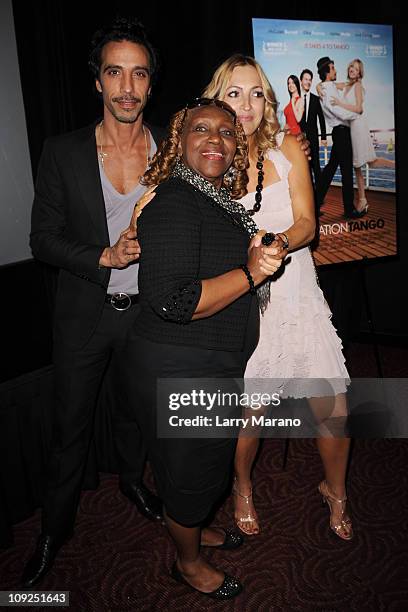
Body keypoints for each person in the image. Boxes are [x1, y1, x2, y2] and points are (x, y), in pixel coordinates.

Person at [22, 17, 164, 588]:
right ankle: (55, 529)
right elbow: (42, 239)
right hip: (85, 315)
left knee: (135, 414)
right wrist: (102, 257)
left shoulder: (171, 153)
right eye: (114, 72)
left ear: (150, 85)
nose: (127, 87)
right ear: (97, 82)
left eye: (139, 74)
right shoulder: (62, 152)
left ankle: (132, 480)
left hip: (149, 315)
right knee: (69, 431)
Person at [123, 98, 282, 600]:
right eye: (201, 129)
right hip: (181, 366)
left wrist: (252, 256)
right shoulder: (173, 200)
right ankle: (188, 562)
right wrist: (253, 272)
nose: (215, 139)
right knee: (192, 474)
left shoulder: (217, 200)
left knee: (205, 467)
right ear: (180, 141)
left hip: (210, 362)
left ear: (237, 147)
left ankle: (193, 525)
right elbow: (174, 299)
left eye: (226, 132)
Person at [203, 54, 353, 541]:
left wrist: (279, 244)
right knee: (252, 414)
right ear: (217, 98)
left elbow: (308, 222)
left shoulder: (288, 147)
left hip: (299, 293)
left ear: (267, 102)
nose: (245, 105)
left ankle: (336, 491)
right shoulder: (207, 158)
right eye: (234, 93)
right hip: (247, 305)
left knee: (334, 408)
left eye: (255, 94)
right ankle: (242, 485)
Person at [326, 58, 395, 213]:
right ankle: (362, 200)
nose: (352, 69)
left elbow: (359, 109)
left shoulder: (357, 85)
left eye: (356, 69)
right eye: (351, 66)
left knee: (368, 161)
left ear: (359, 73)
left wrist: (339, 103)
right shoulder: (348, 85)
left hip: (358, 127)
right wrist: (320, 85)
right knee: (358, 165)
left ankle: (395, 166)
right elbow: (332, 85)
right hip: (352, 127)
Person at [314, 56, 365, 220]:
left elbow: (345, 87)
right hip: (342, 132)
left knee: (329, 170)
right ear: (328, 72)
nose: (336, 71)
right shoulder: (327, 90)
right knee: (346, 172)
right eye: (333, 68)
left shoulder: (327, 87)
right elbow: (338, 111)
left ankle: (314, 204)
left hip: (341, 132)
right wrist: (357, 113)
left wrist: (318, 84)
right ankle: (349, 210)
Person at [299, 68, 327, 187]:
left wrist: (324, 137)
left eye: (310, 80)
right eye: (306, 79)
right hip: (299, 138)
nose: (308, 82)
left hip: (313, 137)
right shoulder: (296, 99)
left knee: (316, 165)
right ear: (301, 81)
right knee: (303, 166)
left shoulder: (316, 99)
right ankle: (308, 192)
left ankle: (320, 193)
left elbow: (321, 119)